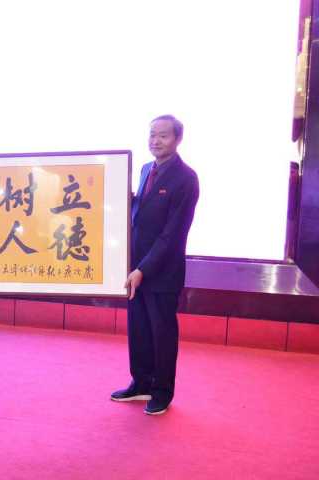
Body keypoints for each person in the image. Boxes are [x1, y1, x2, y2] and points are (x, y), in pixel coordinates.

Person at [111, 115, 199, 415]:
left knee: (162, 334)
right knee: (138, 330)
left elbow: (172, 235)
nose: (155, 141)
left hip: (162, 272)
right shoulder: (146, 169)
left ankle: (162, 391)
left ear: (177, 139)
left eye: (163, 135)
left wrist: (143, 269)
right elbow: (141, 213)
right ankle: (141, 383)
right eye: (152, 134)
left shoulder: (186, 178)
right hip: (136, 268)